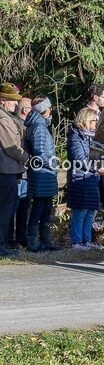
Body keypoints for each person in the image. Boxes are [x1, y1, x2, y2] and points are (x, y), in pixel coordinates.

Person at [67, 108, 104, 250]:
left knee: (91, 210)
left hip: (92, 178)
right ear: (85, 120)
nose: (96, 124)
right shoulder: (75, 137)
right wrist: (96, 169)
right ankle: (77, 242)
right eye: (94, 121)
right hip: (80, 178)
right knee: (81, 211)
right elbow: (79, 159)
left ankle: (87, 240)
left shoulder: (91, 137)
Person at [23, 96, 58, 252]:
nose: (51, 110)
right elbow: (40, 152)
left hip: (43, 174)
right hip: (42, 173)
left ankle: (45, 240)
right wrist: (53, 163)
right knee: (38, 208)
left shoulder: (39, 125)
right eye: (49, 107)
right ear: (45, 109)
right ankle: (33, 242)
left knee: (46, 207)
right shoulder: (39, 127)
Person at [0, 84, 29, 256]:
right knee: (4, 209)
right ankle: (1, 244)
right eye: (12, 101)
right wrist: (27, 159)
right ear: (3, 101)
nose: (15, 104)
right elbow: (11, 147)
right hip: (6, 170)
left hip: (8, 169)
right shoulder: (3, 120)